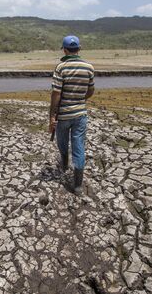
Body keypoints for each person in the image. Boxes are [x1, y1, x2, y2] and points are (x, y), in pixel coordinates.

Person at [49, 35, 95, 194]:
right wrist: (79, 100)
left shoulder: (61, 67)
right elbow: (90, 91)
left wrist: (52, 116)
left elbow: (56, 94)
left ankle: (64, 165)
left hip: (63, 115)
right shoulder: (89, 67)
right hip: (80, 114)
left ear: (64, 49)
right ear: (79, 49)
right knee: (79, 147)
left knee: (62, 142)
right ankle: (77, 185)